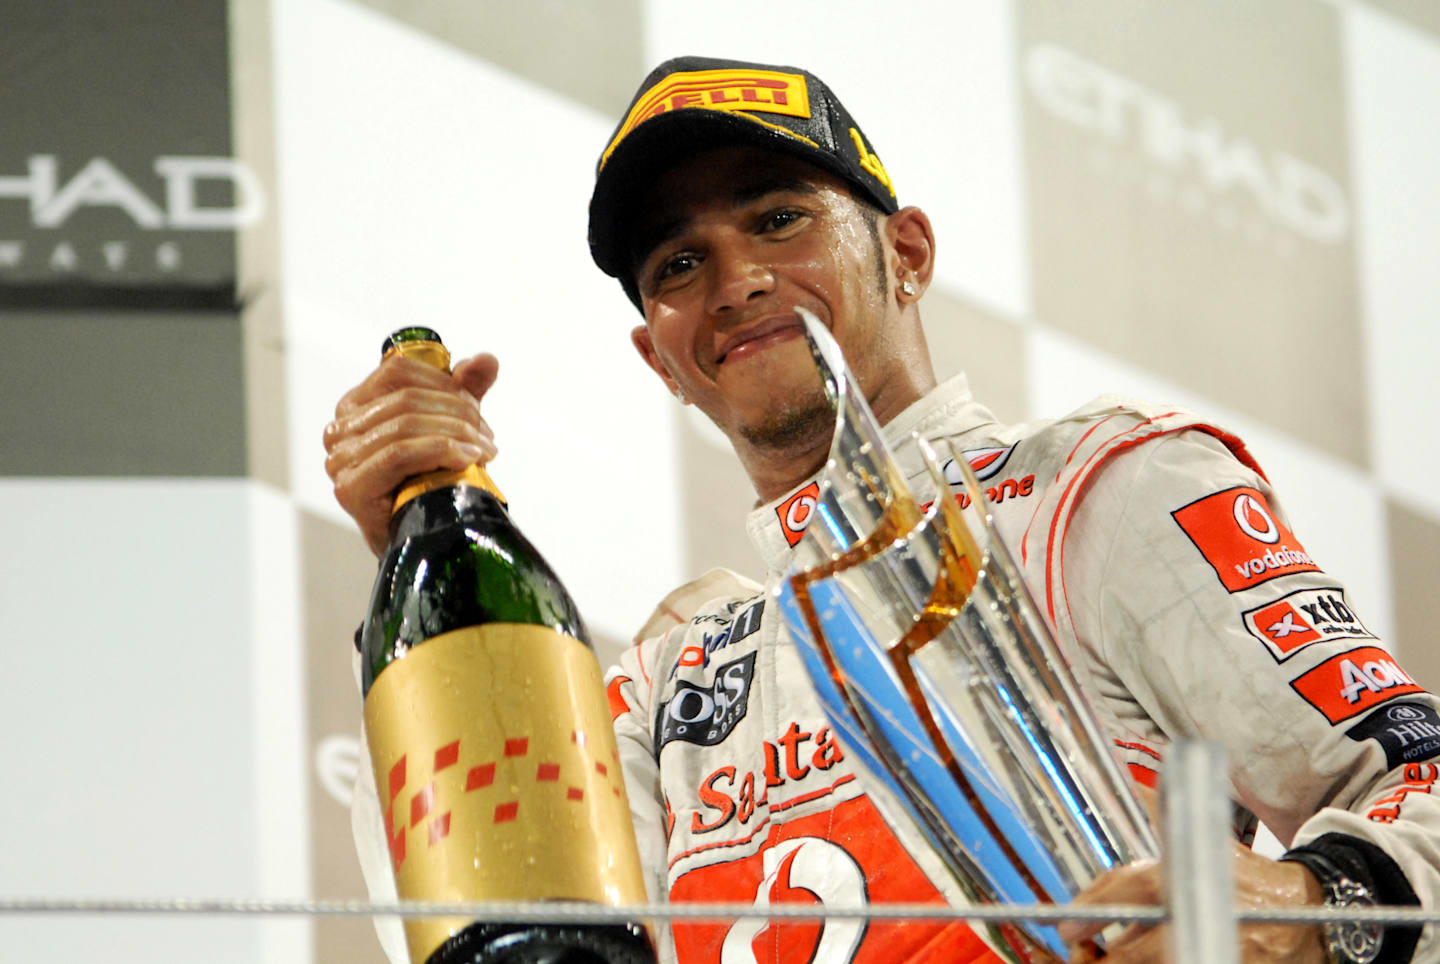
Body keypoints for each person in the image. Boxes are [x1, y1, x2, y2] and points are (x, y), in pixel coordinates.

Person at [324, 56, 1437, 964]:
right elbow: (517, 921)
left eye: (777, 218)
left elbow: (1416, 778)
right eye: (679, 263)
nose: (736, 280)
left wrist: (1309, 907)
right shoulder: (674, 674)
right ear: (660, 357)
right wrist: (402, 549)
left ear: (905, 253)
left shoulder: (1095, 491)